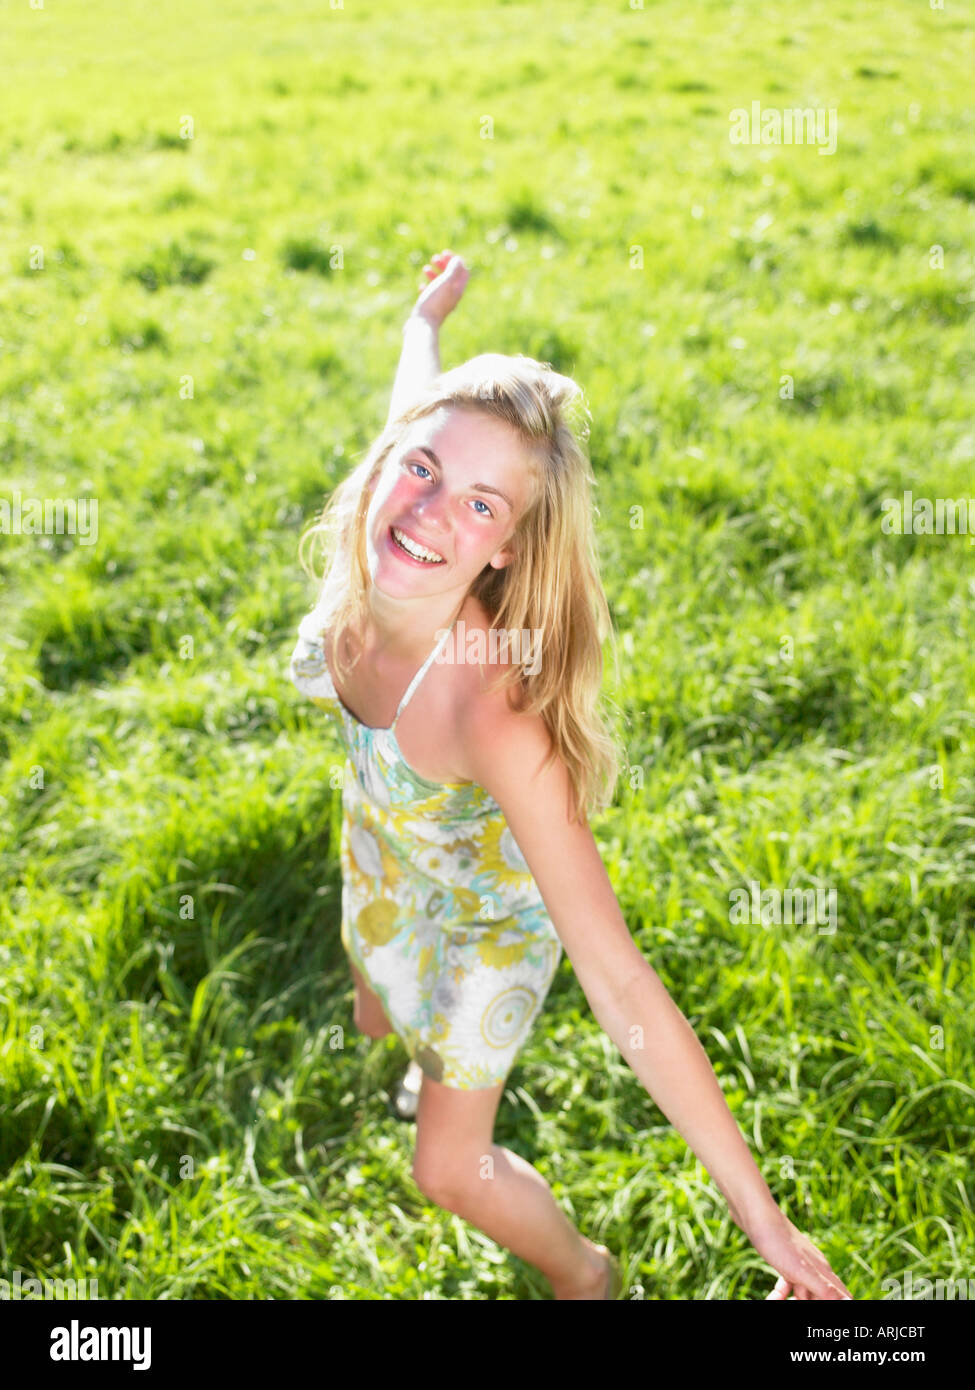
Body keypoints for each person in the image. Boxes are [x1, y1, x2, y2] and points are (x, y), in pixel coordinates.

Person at [289, 249, 853, 1303]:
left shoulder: (494, 712)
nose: (430, 512)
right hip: (386, 849)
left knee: (446, 1168)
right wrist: (425, 317)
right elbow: (415, 392)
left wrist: (763, 1221)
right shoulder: (390, 512)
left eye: (481, 507)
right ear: (388, 460)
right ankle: (413, 1042)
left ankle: (585, 1274)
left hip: (486, 925)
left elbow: (620, 978)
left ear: (505, 548)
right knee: (372, 1010)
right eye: (422, 470)